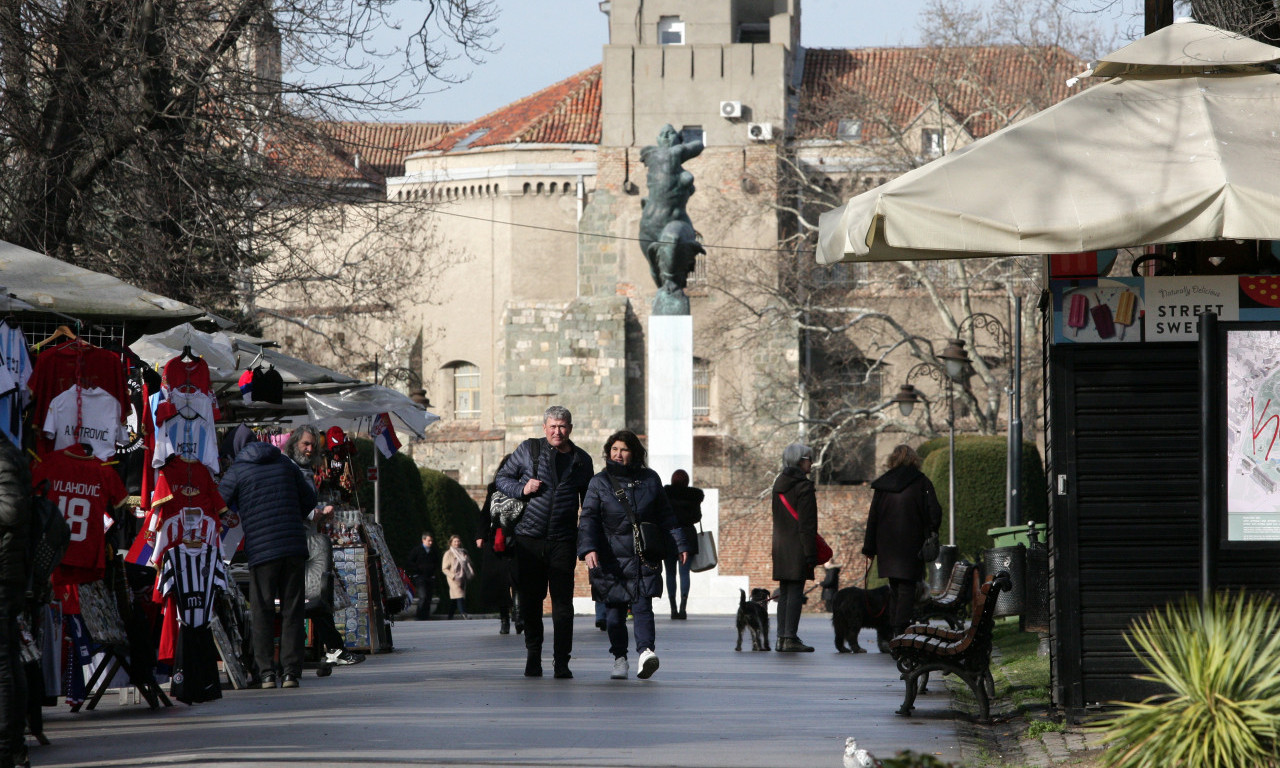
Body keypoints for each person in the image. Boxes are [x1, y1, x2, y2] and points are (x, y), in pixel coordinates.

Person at [579, 430, 689, 681]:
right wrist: (588, 549)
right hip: (611, 557)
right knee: (615, 611)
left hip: (643, 554)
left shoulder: (650, 479)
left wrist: (680, 544)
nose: (618, 454)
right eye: (614, 449)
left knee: (642, 606)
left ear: (634, 453)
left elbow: (666, 516)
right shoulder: (599, 482)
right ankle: (619, 658)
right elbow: (588, 519)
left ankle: (646, 652)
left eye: (624, 450)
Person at [494, 405, 594, 679]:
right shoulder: (529, 450)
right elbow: (501, 478)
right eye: (552, 426)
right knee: (530, 602)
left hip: (563, 540)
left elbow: (589, 506)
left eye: (562, 426)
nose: (557, 431)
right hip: (529, 539)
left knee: (563, 605)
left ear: (570, 429)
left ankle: (562, 662)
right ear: (544, 428)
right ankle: (533, 656)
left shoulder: (582, 460)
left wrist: (587, 543)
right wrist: (522, 488)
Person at [218, 439, 318, 689]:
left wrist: (240, 515)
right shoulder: (286, 463)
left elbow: (218, 503)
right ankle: (291, 673)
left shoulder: (239, 470)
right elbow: (309, 499)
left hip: (261, 550)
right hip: (293, 545)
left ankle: (266, 674)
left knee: (262, 610)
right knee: (292, 609)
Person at [861, 444, 942, 637]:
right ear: (914, 459)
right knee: (907, 587)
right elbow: (935, 512)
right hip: (911, 545)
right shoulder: (921, 482)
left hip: (887, 547)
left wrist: (869, 547)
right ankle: (900, 629)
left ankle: (894, 629)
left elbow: (873, 517)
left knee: (896, 588)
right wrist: (930, 531)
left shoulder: (883, 485)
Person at [771, 443, 819, 652]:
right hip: (798, 546)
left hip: (781, 545)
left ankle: (782, 637)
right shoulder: (804, 487)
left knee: (785, 591)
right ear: (800, 460)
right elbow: (807, 525)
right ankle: (790, 637)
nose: (812, 463)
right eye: (809, 458)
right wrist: (811, 553)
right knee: (795, 592)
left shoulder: (778, 484)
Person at [0, 433, 28, 768]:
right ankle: (14, 743)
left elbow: (12, 509)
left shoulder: (4, 457)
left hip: (5, 572)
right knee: (9, 658)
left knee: (4, 661)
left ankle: (7, 746)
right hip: (9, 569)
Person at [478, 455, 521, 635]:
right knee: (501, 583)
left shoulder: (525, 487)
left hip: (520, 539)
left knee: (519, 580)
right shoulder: (494, 488)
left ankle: (519, 615)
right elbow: (485, 513)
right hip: (497, 539)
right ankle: (504, 619)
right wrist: (479, 535)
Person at [662, 469, 703, 620]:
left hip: (669, 537)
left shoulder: (666, 495)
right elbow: (697, 517)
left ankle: (673, 608)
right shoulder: (694, 497)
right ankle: (683, 608)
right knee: (684, 573)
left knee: (670, 573)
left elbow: (662, 515)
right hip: (688, 535)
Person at [405, 533, 439, 621]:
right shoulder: (417, 550)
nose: (430, 542)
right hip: (420, 576)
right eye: (428, 540)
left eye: (431, 541)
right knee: (422, 596)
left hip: (430, 576)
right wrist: (417, 568)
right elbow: (409, 561)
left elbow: (437, 562)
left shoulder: (433, 551)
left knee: (429, 596)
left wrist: (433, 571)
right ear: (423, 540)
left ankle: (426, 616)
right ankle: (419, 615)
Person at [441, 536, 474, 619]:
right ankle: (464, 614)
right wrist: (452, 576)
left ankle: (450, 616)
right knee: (460, 595)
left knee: (455, 599)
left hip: (462, 577)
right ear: (451, 543)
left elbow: (469, 563)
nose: (457, 543)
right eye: (455, 541)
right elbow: (444, 568)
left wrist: (466, 559)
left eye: (458, 541)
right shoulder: (448, 553)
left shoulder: (463, 552)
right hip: (453, 578)